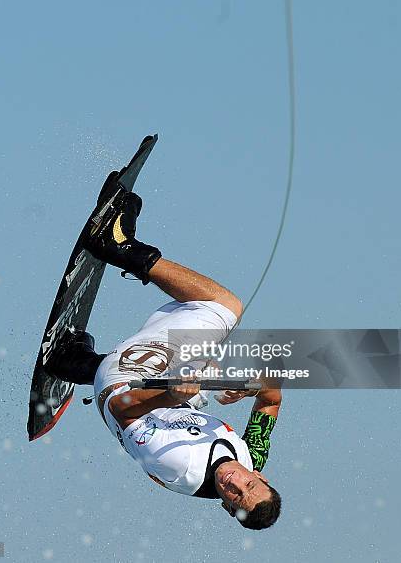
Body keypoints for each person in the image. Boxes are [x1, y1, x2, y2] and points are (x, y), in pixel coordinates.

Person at [45, 192, 282, 530]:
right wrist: (252, 389)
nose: (235, 483)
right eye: (249, 485)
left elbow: (122, 408)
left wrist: (173, 394)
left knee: (224, 306)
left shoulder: (181, 467)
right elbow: (272, 398)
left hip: (123, 384)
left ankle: (117, 244)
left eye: (234, 497)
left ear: (228, 508)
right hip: (159, 384)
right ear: (261, 475)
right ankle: (75, 361)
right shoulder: (251, 457)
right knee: (208, 370)